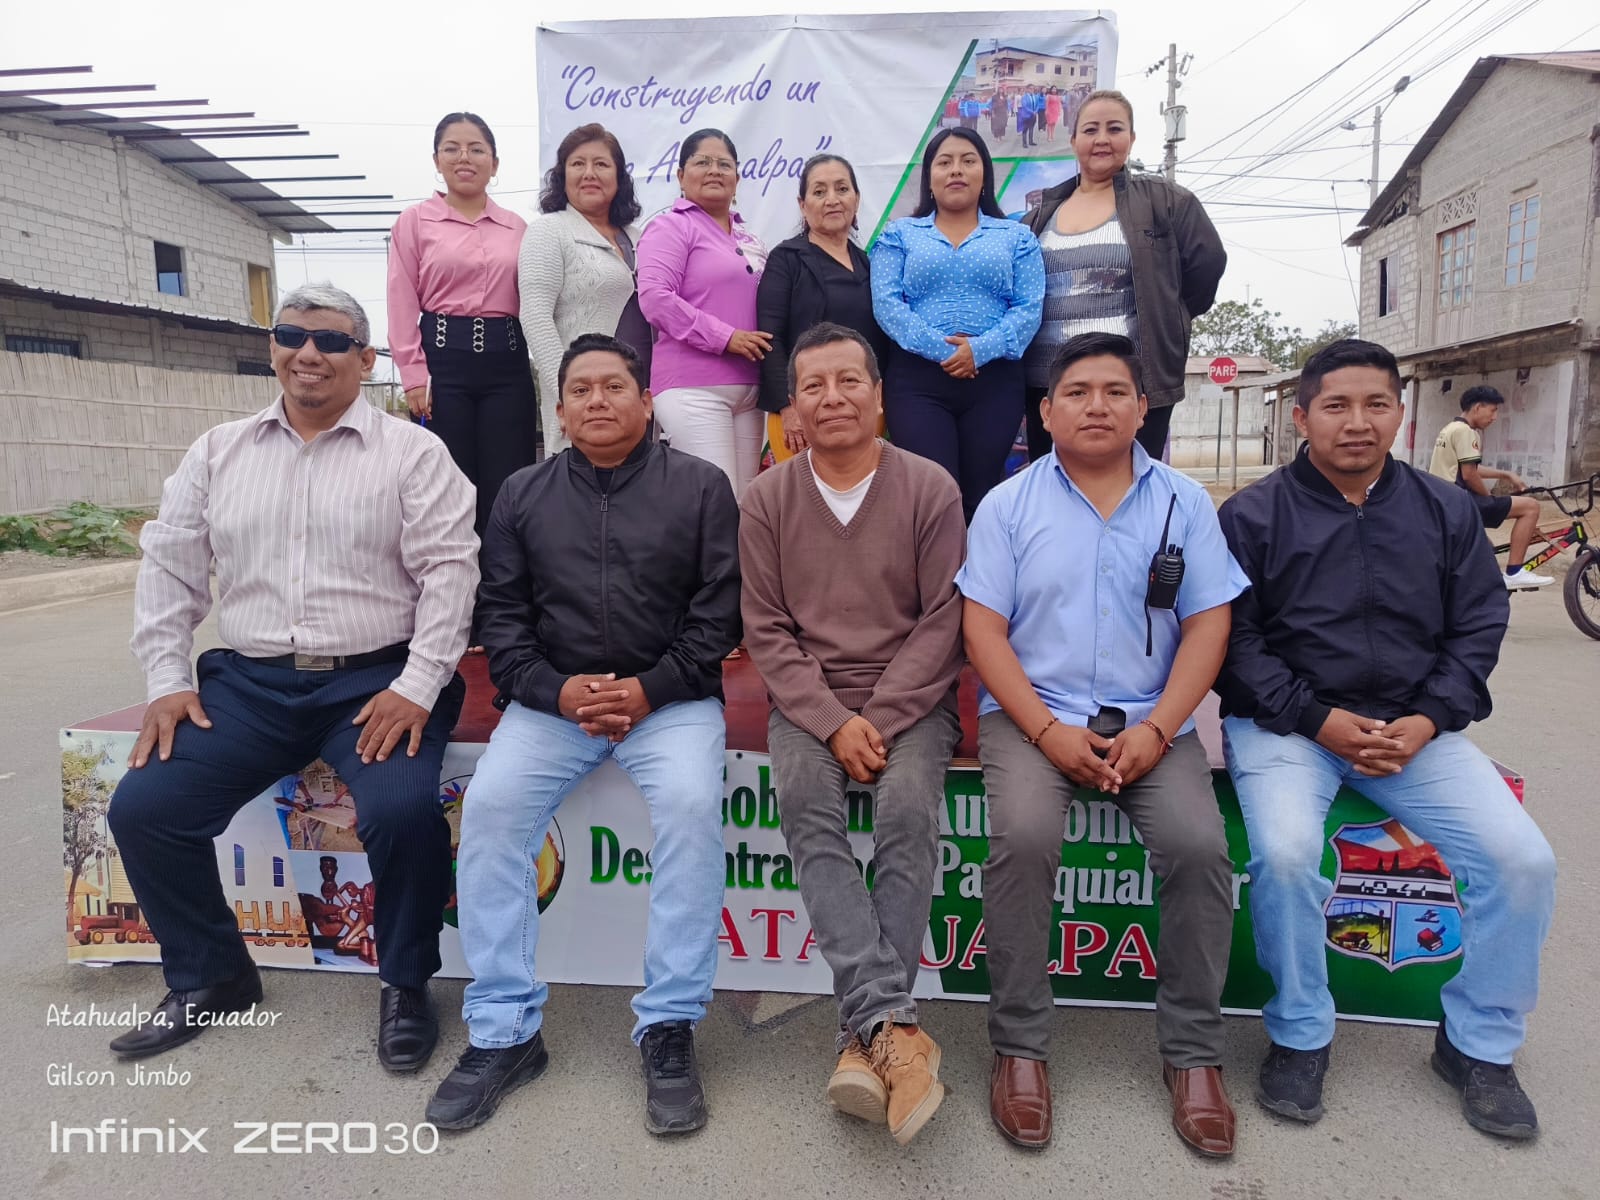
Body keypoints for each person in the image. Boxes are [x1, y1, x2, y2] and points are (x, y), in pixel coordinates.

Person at [105, 284, 478, 1072]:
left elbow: (450, 573)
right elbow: (170, 567)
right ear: (272, 347)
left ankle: (406, 983)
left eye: (332, 341)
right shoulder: (218, 451)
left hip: (376, 682)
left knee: (402, 811)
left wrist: (418, 685)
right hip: (252, 686)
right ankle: (213, 975)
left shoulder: (413, 454)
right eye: (291, 335)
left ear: (365, 359)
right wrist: (168, 677)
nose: (309, 353)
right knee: (145, 808)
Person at [1216, 338, 1556, 1142]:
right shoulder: (1253, 515)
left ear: (1401, 417)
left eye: (1376, 405)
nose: (1357, 423)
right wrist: (1316, 718)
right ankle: (1301, 1033)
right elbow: (1234, 641)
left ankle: (1478, 1044)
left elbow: (1479, 625)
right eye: (1336, 406)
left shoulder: (1445, 510)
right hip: (1290, 728)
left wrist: (1429, 718)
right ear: (1301, 418)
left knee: (1522, 860)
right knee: (1287, 855)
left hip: (1414, 728)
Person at [426, 333, 741, 1135]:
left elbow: (719, 614)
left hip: (669, 702)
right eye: (581, 389)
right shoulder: (522, 493)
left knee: (692, 808)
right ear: (560, 409)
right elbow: (501, 617)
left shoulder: (702, 486)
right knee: (490, 810)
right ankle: (504, 1031)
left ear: (647, 401)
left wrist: (650, 687)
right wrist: (555, 690)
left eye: (614, 386)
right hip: (552, 704)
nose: (598, 400)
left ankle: (669, 1026)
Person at [958, 332, 1249, 1156]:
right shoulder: (1007, 505)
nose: (1097, 406)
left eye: (1115, 391)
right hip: (1034, 715)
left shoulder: (1184, 504)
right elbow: (982, 630)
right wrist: (1048, 733)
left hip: (1152, 720)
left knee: (1199, 848)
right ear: (1046, 412)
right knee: (1023, 838)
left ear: (1143, 407)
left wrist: (1159, 729)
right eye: (1077, 392)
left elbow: (1209, 623)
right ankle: (1020, 1048)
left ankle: (1192, 1055)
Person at [740, 324, 966, 1145]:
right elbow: (766, 629)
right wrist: (834, 721)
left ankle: (865, 1032)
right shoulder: (766, 498)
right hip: (811, 702)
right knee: (806, 801)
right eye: (814, 386)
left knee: (907, 809)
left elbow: (944, 619)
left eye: (849, 381)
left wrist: (884, 714)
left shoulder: (930, 487)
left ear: (879, 393)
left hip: (914, 696)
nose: (832, 398)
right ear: (792, 406)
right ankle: (892, 1029)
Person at [1021, 90, 1226, 463]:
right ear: (1073, 141)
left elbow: (1206, 265)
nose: (1102, 139)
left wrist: (1169, 315)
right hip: (1047, 382)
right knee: (1054, 488)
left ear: (1131, 139)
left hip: (1133, 380)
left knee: (1130, 484)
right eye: (1090, 130)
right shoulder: (1039, 216)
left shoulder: (1166, 201)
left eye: (1114, 129)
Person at [871, 127, 1043, 522]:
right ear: (929, 177)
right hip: (918, 383)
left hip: (994, 381)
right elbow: (887, 305)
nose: (956, 170)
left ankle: (980, 565)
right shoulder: (899, 235)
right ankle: (935, 566)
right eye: (944, 162)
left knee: (982, 499)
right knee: (932, 496)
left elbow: (1029, 308)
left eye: (968, 161)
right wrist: (947, 351)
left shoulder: (1017, 237)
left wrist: (978, 351)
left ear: (984, 174)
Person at [388, 112, 535, 535]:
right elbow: (401, 299)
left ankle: (504, 576)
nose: (464, 157)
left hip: (507, 364)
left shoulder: (518, 227)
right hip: (443, 364)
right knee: (448, 482)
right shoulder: (415, 221)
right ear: (437, 160)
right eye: (452, 148)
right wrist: (413, 375)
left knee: (510, 483)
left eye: (476, 149)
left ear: (495, 163)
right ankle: (452, 574)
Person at [637, 127, 772, 499]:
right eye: (702, 162)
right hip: (694, 388)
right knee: (714, 501)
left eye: (724, 164)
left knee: (746, 505)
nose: (714, 170)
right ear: (681, 176)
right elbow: (655, 298)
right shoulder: (670, 227)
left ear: (737, 179)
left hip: (751, 392)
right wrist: (725, 337)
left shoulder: (751, 240)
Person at [519, 123, 647, 458]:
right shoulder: (549, 231)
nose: (589, 173)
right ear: (563, 176)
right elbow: (535, 317)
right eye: (578, 164)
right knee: (582, 482)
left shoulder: (640, 237)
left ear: (619, 176)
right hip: (586, 404)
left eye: (601, 164)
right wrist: (569, 394)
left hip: (641, 399)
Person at [755, 155, 888, 464]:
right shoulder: (786, 259)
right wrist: (788, 407)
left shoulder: (869, 264)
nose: (832, 199)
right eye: (819, 191)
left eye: (842, 189)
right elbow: (769, 338)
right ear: (803, 205)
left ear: (856, 199)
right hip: (804, 413)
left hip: (862, 410)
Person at [1428, 384, 1554, 589]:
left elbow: (1467, 467)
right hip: (1460, 502)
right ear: (1478, 407)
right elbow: (1469, 474)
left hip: (1443, 501)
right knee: (1530, 507)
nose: (1494, 417)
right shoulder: (1467, 432)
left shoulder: (1450, 429)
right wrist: (1488, 497)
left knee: (1486, 547)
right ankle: (1515, 572)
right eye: (1493, 410)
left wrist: (1505, 474)